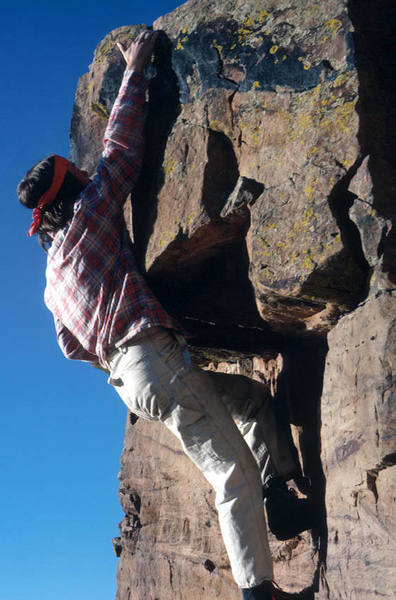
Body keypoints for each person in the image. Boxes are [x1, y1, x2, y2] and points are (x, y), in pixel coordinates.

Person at [18, 31, 309, 600]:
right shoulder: (86, 221)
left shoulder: (53, 279)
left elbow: (69, 347)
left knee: (249, 401)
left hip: (130, 380)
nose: (84, 178)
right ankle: (259, 590)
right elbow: (121, 156)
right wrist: (137, 66)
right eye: (76, 178)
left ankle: (278, 492)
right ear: (68, 193)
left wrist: (111, 337)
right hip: (154, 362)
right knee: (230, 474)